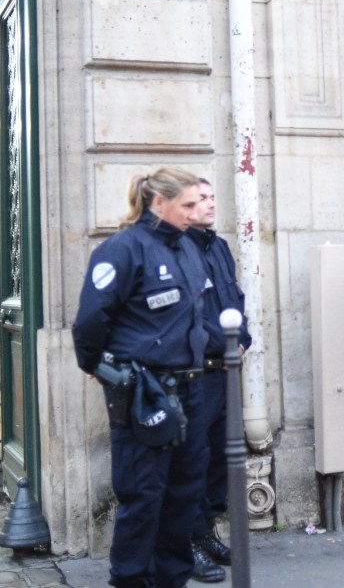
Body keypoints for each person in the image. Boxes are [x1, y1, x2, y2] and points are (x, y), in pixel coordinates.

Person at [72, 168, 211, 588]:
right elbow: (90, 323)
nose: (194, 212)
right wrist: (102, 370)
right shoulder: (122, 249)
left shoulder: (187, 247)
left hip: (191, 388)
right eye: (186, 205)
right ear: (158, 203)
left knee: (184, 496)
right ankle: (131, 580)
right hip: (145, 393)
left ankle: (173, 580)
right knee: (143, 497)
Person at [185, 179, 252, 582]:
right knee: (192, 459)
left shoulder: (219, 246)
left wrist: (241, 341)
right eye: (202, 199)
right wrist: (222, 344)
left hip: (228, 366)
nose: (212, 204)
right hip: (199, 371)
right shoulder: (179, 249)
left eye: (213, 196)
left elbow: (235, 299)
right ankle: (187, 541)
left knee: (219, 459)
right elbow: (189, 314)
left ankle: (206, 529)